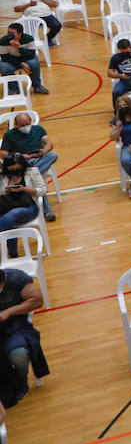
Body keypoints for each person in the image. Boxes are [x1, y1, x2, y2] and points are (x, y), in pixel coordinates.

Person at [0, 263, 47, 404]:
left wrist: (8, 312)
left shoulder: (17, 279)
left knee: (19, 355)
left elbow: (38, 301)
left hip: (17, 327)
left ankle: (21, 382)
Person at [0, 113, 56, 222]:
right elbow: (3, 153)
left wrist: (43, 151)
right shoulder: (9, 135)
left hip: (37, 159)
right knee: (37, 182)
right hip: (21, 162)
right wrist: (20, 157)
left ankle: (30, 170)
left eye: (27, 124)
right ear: (16, 125)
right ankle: (47, 210)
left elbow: (49, 143)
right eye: (22, 125)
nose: (26, 127)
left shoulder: (38, 129)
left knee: (53, 155)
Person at [0, 154, 41, 247]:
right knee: (9, 222)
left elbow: (43, 190)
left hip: (29, 207)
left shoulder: (32, 172)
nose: (15, 171)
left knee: (11, 216)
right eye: (11, 169)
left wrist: (24, 189)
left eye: (17, 169)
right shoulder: (2, 176)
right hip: (6, 205)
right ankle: (13, 254)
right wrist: (5, 191)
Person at [0, 22, 47, 95]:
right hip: (11, 61)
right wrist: (21, 63)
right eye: (8, 32)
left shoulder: (29, 39)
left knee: (34, 64)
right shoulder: (3, 41)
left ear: (19, 34)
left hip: (26, 58)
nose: (9, 35)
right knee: (4, 67)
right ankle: (14, 89)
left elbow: (31, 55)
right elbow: (5, 57)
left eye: (12, 33)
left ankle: (37, 86)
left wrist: (19, 47)